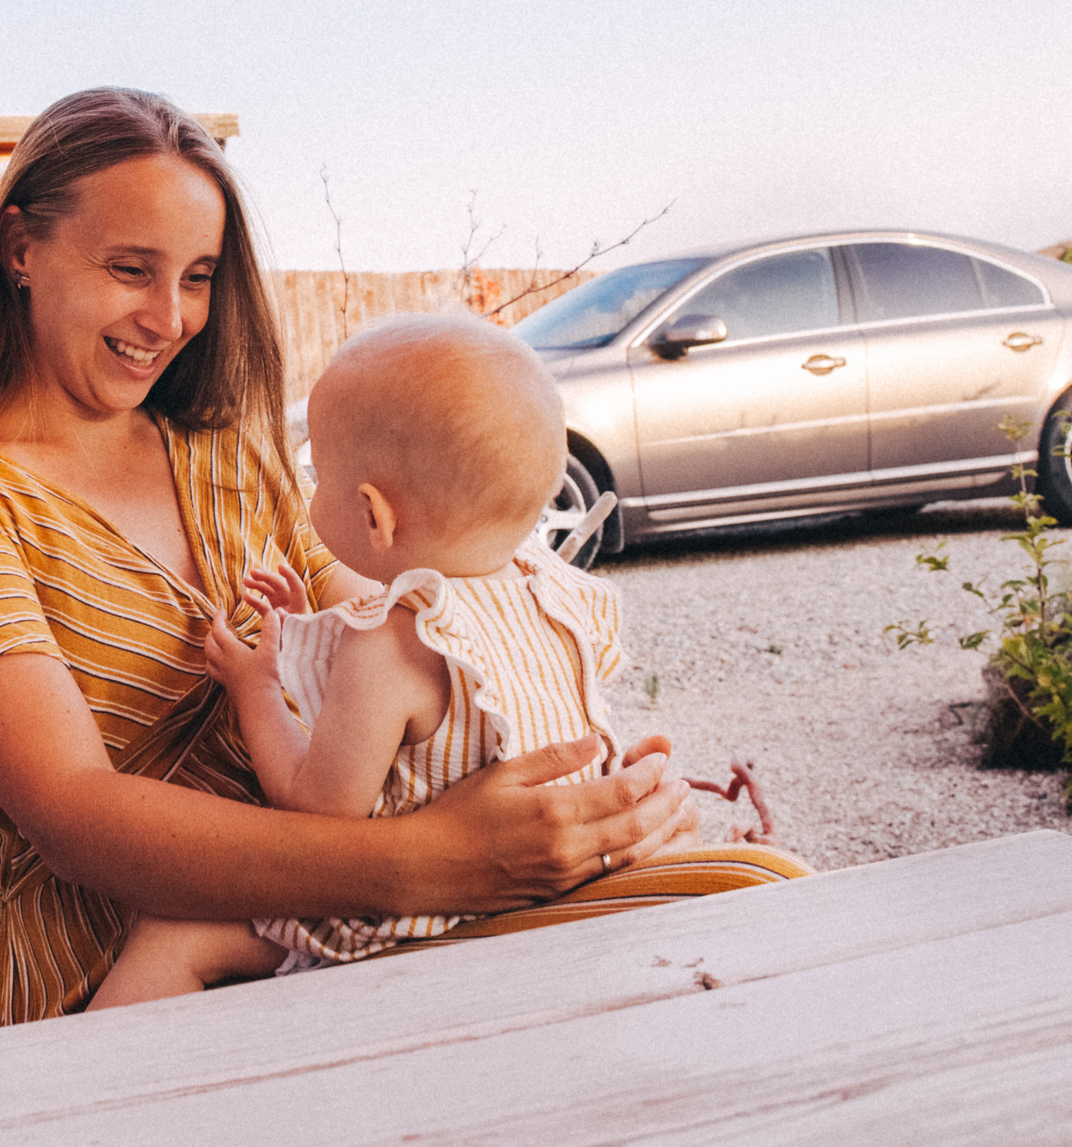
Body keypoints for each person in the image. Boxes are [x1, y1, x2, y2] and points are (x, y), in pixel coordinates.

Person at [0, 87, 797, 1024]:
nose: (170, 316)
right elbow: (73, 814)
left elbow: (413, 636)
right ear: (19, 248)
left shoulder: (221, 449)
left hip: (379, 915)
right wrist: (442, 861)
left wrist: (582, 795)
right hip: (142, 973)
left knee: (758, 896)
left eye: (197, 276)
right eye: (130, 268)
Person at [87, 313, 802, 1008]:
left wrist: (256, 687)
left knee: (171, 935)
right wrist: (306, 623)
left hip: (433, 917)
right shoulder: (548, 590)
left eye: (319, 473)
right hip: (566, 882)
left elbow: (317, 809)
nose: (308, 491)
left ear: (373, 515)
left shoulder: (389, 645)